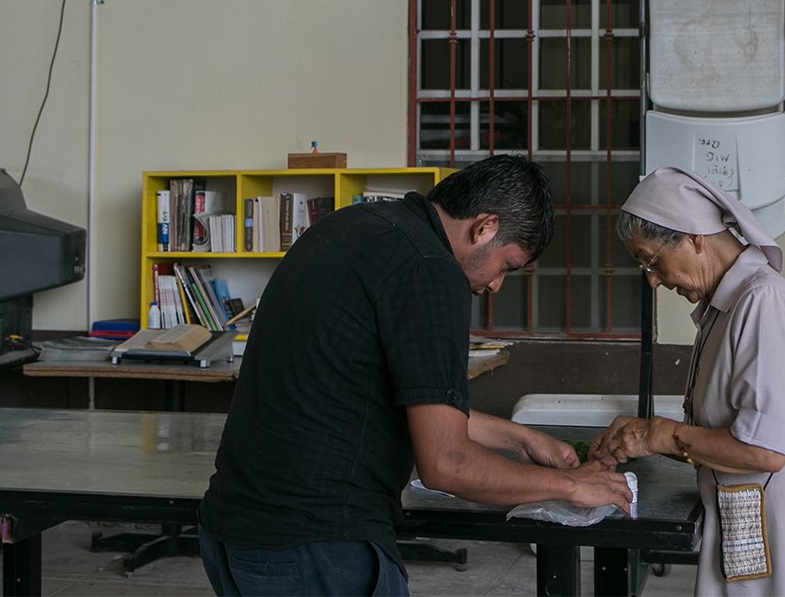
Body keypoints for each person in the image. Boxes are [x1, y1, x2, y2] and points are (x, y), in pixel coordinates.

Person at [200, 155, 632, 596]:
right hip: (316, 543)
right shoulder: (431, 269)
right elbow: (448, 464)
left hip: (233, 532)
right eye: (506, 266)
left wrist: (521, 438)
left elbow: (384, 394)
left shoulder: (354, 226)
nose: (495, 286)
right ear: (484, 228)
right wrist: (570, 486)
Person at [591, 167, 785, 596]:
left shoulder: (764, 303)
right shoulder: (728, 307)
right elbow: (733, 434)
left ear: (693, 238)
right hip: (755, 510)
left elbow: (764, 450)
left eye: (652, 260)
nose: (653, 279)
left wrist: (663, 435)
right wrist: (642, 436)